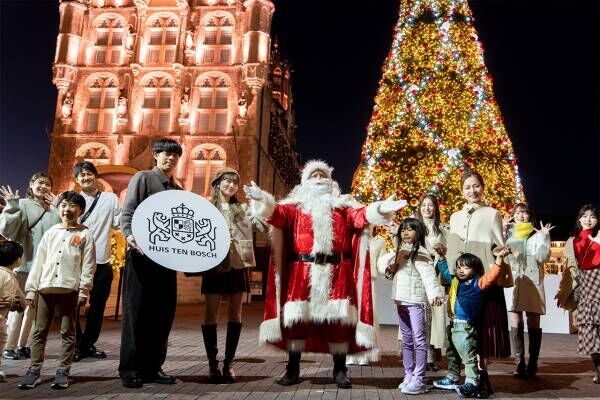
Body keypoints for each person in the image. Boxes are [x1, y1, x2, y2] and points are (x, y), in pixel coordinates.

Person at [244, 160, 406, 388]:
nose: (319, 178)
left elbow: (360, 216)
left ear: (331, 181)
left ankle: (340, 370)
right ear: (306, 181)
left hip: (336, 272)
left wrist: (378, 209)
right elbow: (275, 215)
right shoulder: (294, 208)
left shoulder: (342, 207)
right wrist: (262, 199)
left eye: (323, 175)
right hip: (301, 272)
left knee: (338, 324)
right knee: (296, 323)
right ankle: (292, 369)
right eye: (314, 175)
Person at [119, 138, 183, 388]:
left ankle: (153, 367)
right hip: (141, 255)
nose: (170, 158)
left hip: (166, 261)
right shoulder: (144, 178)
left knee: (162, 313)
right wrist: (130, 236)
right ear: (156, 156)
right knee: (136, 312)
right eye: (166, 153)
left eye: (175, 155)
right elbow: (128, 211)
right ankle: (130, 368)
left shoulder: (177, 190)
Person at [444, 171, 512, 398]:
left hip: (482, 284)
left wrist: (498, 254)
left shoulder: (492, 214)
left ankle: (483, 379)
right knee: (464, 332)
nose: (472, 191)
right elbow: (452, 249)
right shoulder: (454, 217)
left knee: (482, 333)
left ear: (483, 187)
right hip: (461, 285)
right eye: (467, 187)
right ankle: (470, 378)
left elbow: (497, 245)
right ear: (461, 191)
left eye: (476, 186)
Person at [18, 191, 96, 390]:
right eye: (63, 205)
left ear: (80, 210)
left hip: (69, 290)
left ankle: (63, 371)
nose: (66, 209)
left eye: (72, 206)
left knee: (67, 332)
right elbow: (39, 262)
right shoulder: (51, 232)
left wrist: (84, 291)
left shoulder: (85, 234)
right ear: (58, 207)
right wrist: (31, 289)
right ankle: (34, 371)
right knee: (39, 331)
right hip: (45, 288)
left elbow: (88, 266)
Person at [200, 167, 262, 384]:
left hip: (237, 265)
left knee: (235, 315)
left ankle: (229, 363)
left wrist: (256, 201)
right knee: (210, 315)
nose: (231, 185)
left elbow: (261, 225)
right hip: (213, 266)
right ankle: (212, 363)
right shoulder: (205, 206)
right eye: (227, 181)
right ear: (217, 183)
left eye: (235, 182)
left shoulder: (242, 208)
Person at [433, 249, 511, 398]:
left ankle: (472, 382)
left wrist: (499, 259)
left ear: (475, 269)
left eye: (466, 267)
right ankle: (453, 376)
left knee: (468, 356)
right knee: (452, 353)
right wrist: (442, 257)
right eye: (459, 267)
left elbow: (492, 277)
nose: (461, 270)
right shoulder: (455, 280)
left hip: (465, 326)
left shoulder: (478, 283)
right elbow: (445, 273)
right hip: (454, 325)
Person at [0, 172, 60, 360]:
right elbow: (7, 230)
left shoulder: (53, 210)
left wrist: (59, 207)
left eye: (47, 184)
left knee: (32, 309)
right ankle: (9, 347)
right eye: (39, 183)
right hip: (24, 264)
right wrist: (11, 206)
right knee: (18, 307)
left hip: (44, 267)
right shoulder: (23, 204)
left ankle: (23, 345)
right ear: (31, 185)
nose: (43, 186)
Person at [381, 218, 444, 395]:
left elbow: (429, 277)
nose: (405, 233)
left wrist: (434, 295)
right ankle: (408, 375)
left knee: (419, 340)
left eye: (410, 229)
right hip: (401, 301)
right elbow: (394, 274)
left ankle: (419, 378)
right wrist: (390, 269)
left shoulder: (421, 252)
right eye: (403, 230)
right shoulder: (401, 251)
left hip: (416, 302)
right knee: (406, 341)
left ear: (418, 232)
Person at [72, 161, 121, 361]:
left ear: (95, 175)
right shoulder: (72, 200)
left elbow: (119, 222)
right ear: (76, 180)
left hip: (102, 260)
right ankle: (76, 343)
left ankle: (87, 344)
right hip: (76, 261)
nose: (85, 177)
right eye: (81, 175)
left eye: (89, 173)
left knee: (98, 306)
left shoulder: (110, 199)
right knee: (73, 305)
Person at [503, 203, 552, 378]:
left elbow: (543, 257)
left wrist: (545, 237)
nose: (520, 216)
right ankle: (519, 363)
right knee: (515, 322)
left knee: (533, 321)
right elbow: (500, 253)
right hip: (515, 281)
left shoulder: (537, 234)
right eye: (517, 213)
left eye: (524, 213)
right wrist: (501, 230)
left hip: (533, 280)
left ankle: (532, 363)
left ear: (529, 216)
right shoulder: (508, 233)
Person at [556, 204, 600, 384]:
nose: (588, 219)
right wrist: (564, 292)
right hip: (584, 284)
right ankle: (598, 368)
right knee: (588, 328)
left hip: (599, 279)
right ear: (579, 219)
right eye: (584, 216)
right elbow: (570, 269)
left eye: (592, 216)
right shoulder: (572, 240)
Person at [415, 194, 448, 371]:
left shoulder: (443, 230)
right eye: (424, 205)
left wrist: (443, 252)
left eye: (430, 205)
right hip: (420, 277)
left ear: (435, 207)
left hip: (437, 277)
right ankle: (426, 356)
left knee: (435, 318)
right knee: (422, 316)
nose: (427, 208)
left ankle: (434, 354)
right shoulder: (416, 227)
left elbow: (449, 252)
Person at [0, 240, 26, 382]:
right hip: (0, 318)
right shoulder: (10, 277)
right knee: (1, 341)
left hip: (2, 317)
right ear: (18, 260)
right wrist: (23, 304)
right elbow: (20, 297)